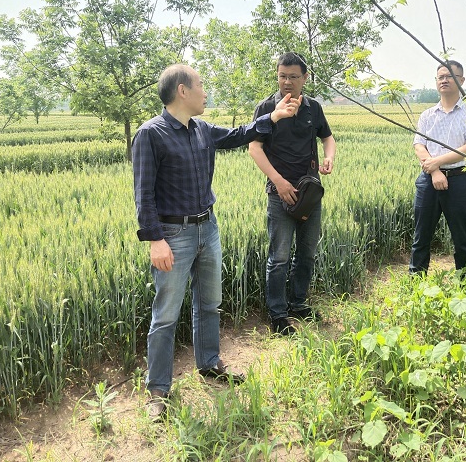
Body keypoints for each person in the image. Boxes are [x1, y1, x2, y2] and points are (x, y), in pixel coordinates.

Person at [132, 64, 300, 420]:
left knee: (209, 303)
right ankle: (158, 390)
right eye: (201, 85)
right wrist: (155, 240)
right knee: (165, 316)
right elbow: (143, 193)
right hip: (173, 235)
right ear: (182, 91)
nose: (206, 92)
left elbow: (240, 134)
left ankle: (208, 364)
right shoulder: (151, 134)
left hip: (208, 228)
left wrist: (273, 115)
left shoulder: (202, 130)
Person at [249, 52, 336, 336]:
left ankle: (298, 303)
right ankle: (277, 314)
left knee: (307, 253)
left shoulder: (313, 108)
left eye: (293, 77)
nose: (287, 82)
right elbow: (254, 148)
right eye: (282, 76)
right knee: (280, 256)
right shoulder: (266, 107)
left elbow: (327, 137)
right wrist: (278, 181)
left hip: (309, 192)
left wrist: (329, 157)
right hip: (279, 193)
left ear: (305, 78)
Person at [409, 60, 466, 275]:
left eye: (450, 76)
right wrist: (434, 170)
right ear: (436, 82)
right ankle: (416, 284)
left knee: (462, 237)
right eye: (440, 77)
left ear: (461, 81)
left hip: (460, 179)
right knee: (421, 236)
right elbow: (419, 145)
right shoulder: (427, 115)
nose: (444, 80)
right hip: (428, 179)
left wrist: (438, 163)